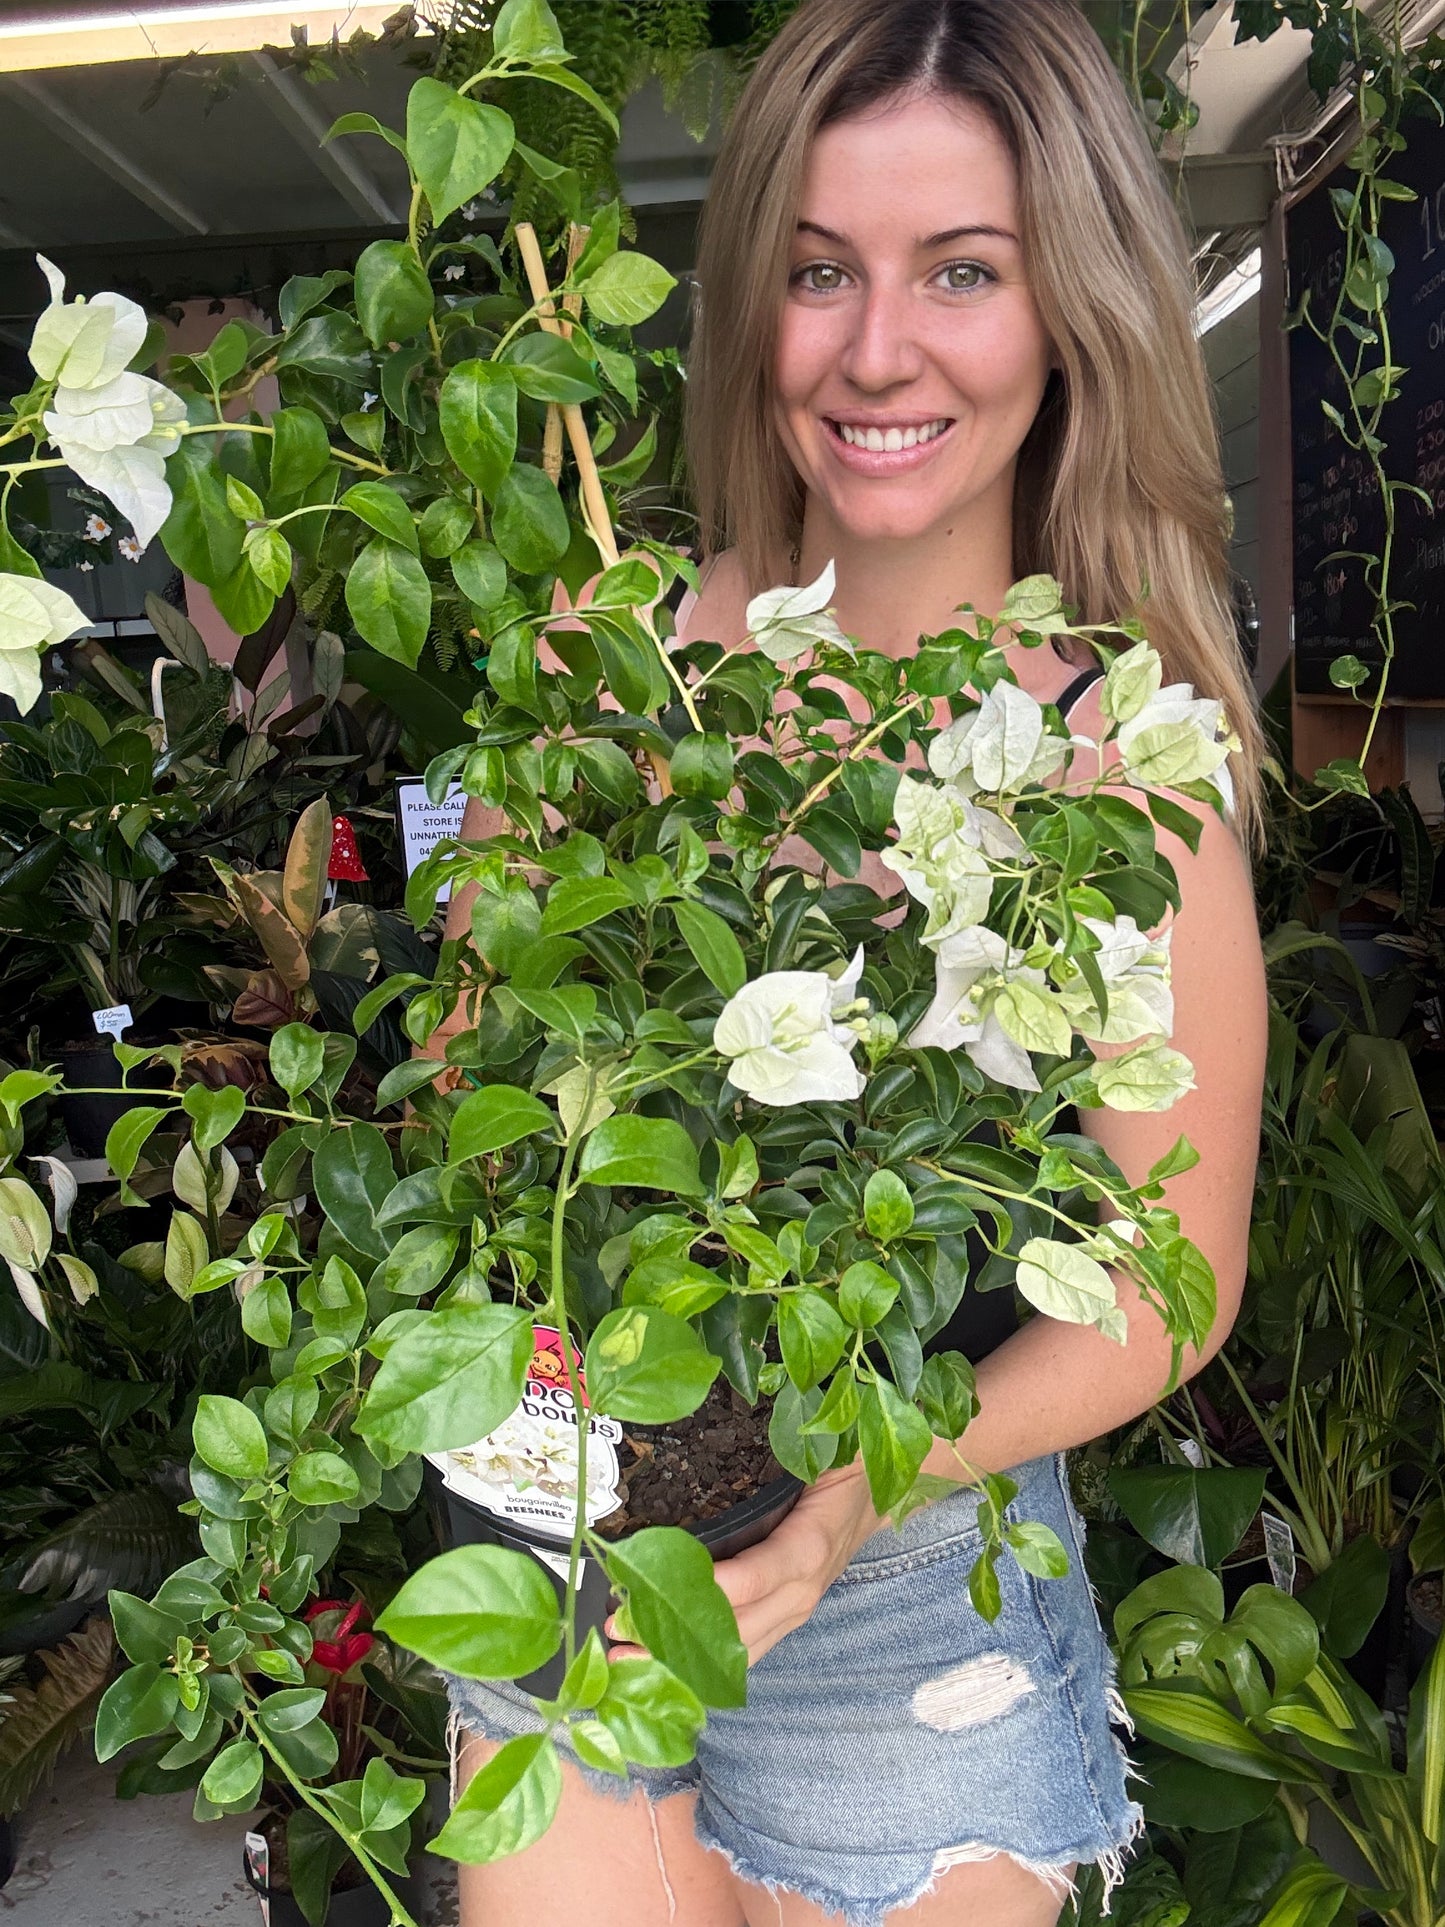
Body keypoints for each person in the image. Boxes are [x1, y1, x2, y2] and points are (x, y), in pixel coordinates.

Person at [431, 2, 1268, 1921]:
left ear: (1067, 310)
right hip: (568, 1543)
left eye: (957, 272)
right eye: (819, 271)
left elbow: (1173, 1278)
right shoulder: (599, 670)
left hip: (909, 1577)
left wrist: (848, 1495)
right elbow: (486, 1145)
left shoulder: (1119, 775)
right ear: (750, 300)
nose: (875, 349)